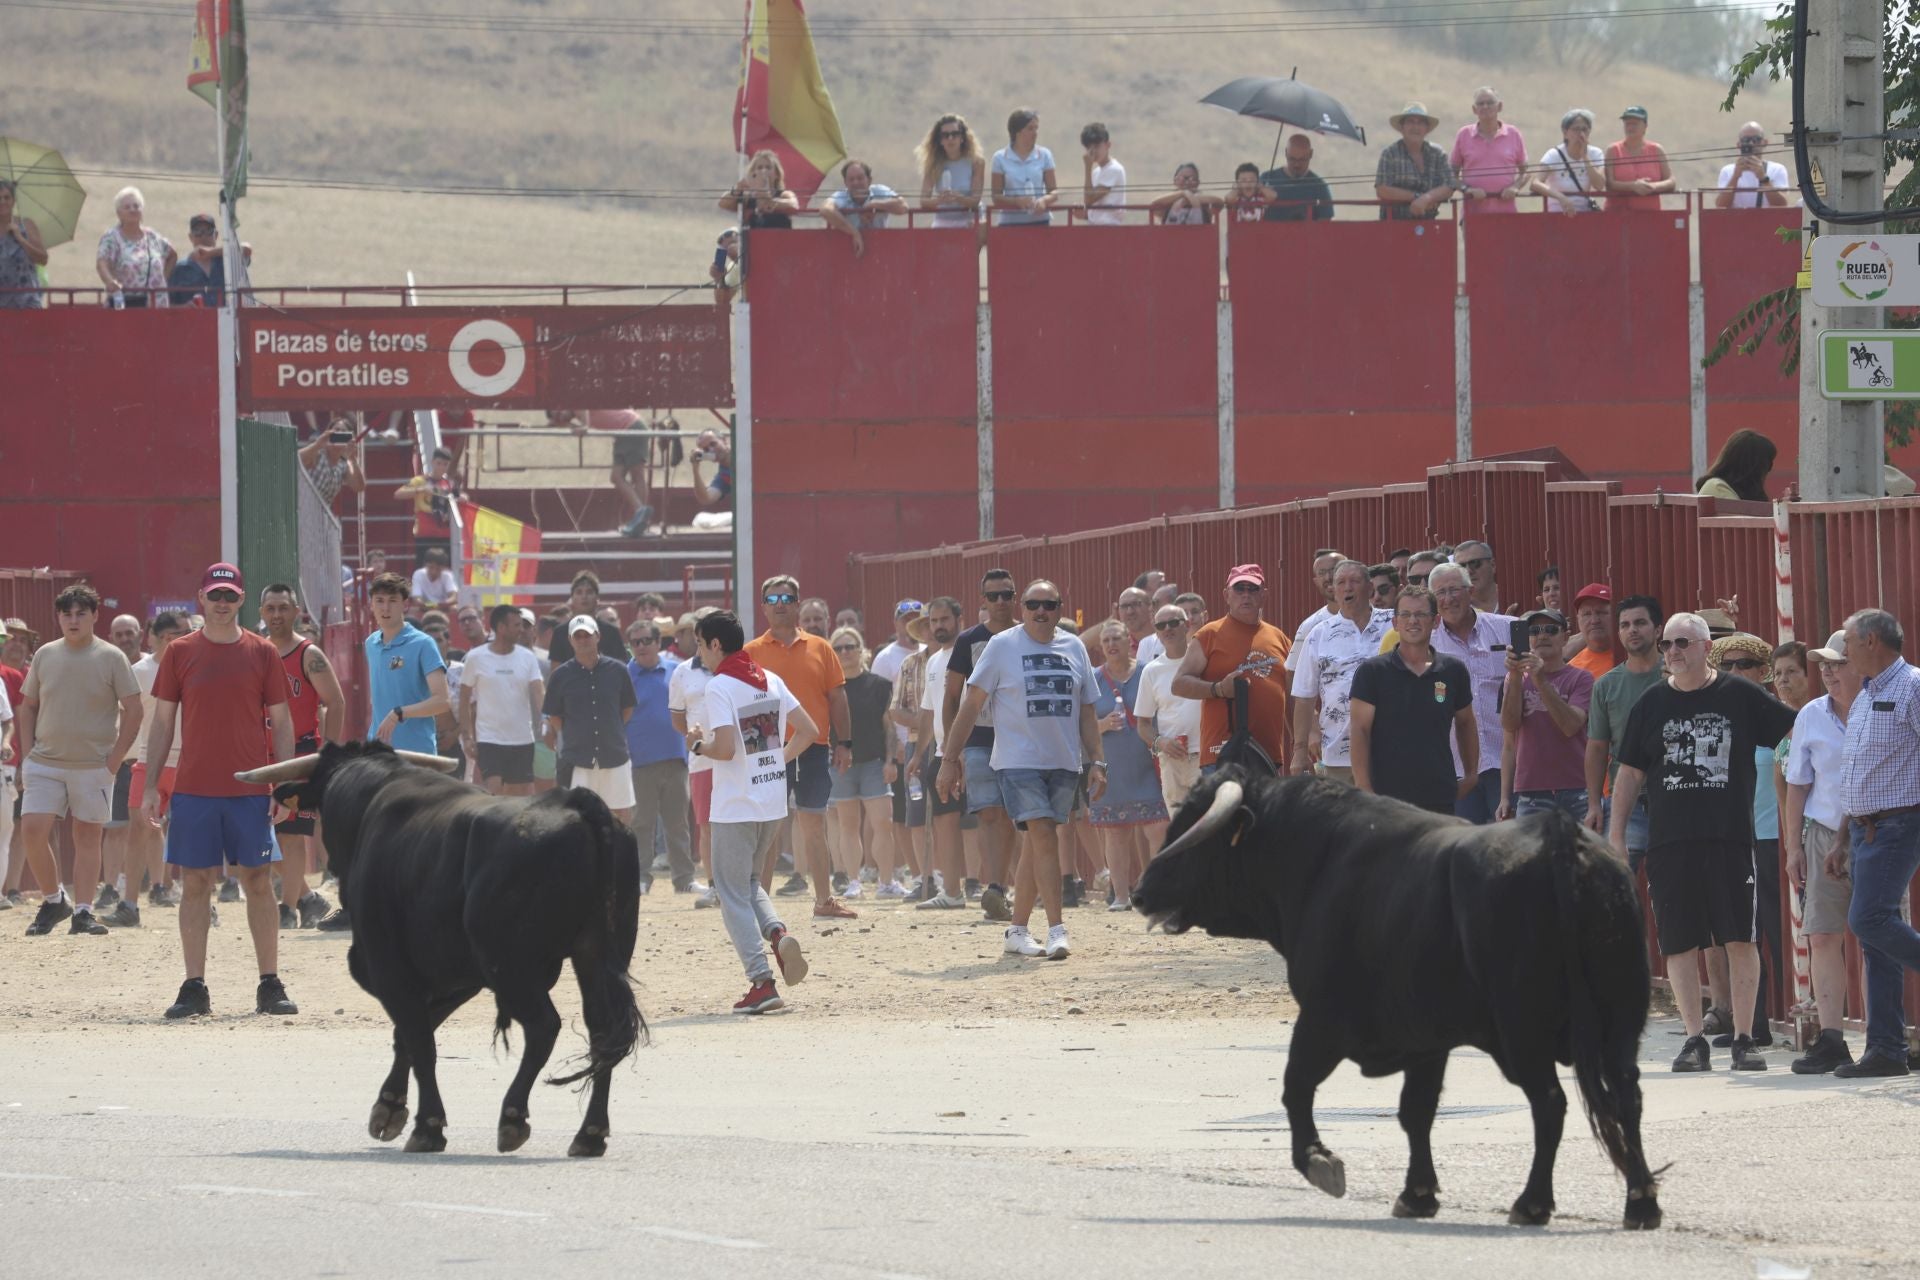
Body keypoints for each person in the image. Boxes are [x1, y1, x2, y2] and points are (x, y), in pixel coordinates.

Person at [1610, 612, 1796, 1072]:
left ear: (1704, 646)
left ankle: (1745, 1037)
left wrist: (1804, 791)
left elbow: (1793, 732)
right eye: (1667, 644)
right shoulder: (1650, 704)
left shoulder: (1740, 695)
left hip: (1730, 838)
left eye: (1683, 643)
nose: (1673, 651)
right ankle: (1694, 1039)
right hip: (1670, 842)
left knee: (1739, 937)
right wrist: (1615, 834)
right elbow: (1630, 772)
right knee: (1678, 943)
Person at [141, 564, 297, 1019]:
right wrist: (152, 784)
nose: (222, 603)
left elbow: (282, 722)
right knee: (195, 884)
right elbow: (162, 721)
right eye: (215, 595)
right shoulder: (180, 652)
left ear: (241, 599)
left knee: (258, 882)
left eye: (230, 595)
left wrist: (283, 784)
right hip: (194, 789)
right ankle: (194, 987)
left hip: (250, 790)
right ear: (201, 599)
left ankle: (269, 984)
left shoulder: (263, 651)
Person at [940, 580, 1107, 961]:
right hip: (1018, 762)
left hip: (1064, 761)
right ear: (1024, 607)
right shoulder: (1002, 646)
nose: (1040, 611)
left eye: (1048, 604)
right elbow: (970, 705)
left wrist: (1097, 760)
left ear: (1060, 608)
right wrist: (949, 760)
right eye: (1033, 604)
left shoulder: (1074, 646)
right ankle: (1056, 930)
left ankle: (1016, 931)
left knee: (1036, 842)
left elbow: (1086, 710)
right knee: (1044, 832)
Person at [691, 609, 815, 1014]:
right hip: (771, 799)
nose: (700, 654)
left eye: (700, 644)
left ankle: (761, 981)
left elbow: (724, 748)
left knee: (731, 893)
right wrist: (779, 760)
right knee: (748, 884)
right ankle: (777, 934)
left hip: (735, 805)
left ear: (714, 644)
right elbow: (810, 730)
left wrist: (698, 745)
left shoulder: (719, 686)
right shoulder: (771, 680)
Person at [16, 583, 142, 937]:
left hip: (94, 765)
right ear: (58, 617)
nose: (73, 620)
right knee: (32, 830)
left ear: (94, 616)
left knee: (87, 836)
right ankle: (54, 899)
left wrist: (115, 760)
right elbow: (27, 707)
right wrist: (27, 756)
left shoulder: (111, 657)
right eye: (66, 614)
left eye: (80, 613)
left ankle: (83, 911)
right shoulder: (44, 654)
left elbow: (134, 710)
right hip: (44, 762)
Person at [1831, 609, 1920, 1078]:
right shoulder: (1863, 696)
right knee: (1873, 940)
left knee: (1868, 918)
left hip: (1901, 823)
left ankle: (1886, 1046)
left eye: (1847, 640)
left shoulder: (1913, 686)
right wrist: (1841, 838)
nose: (1843, 650)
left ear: (1870, 640)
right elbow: (1858, 772)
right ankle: (1886, 1049)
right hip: (1864, 830)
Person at [745, 576, 855, 919]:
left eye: (786, 598)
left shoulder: (821, 647)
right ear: (763, 607)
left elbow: (837, 697)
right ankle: (759, 904)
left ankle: (823, 902)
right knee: (769, 828)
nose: (780, 604)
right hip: (767, 748)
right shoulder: (750, 652)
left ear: (797, 603)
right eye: (772, 598)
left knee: (813, 825)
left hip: (815, 747)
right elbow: (744, 701)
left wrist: (845, 743)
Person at [1783, 630, 1861, 1073]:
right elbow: (1798, 784)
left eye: (1838, 662)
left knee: (1877, 935)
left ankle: (1883, 1034)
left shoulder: (1879, 708)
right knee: (1823, 934)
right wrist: (1793, 846)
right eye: (1824, 665)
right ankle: (1832, 1038)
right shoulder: (1812, 715)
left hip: (1874, 834)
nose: (1829, 671)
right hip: (1823, 834)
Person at [1349, 585, 1478, 814]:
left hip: (1439, 796)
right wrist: (1363, 787)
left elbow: (1466, 722)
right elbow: (1359, 731)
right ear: (1395, 623)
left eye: (1421, 614)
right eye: (1406, 615)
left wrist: (1470, 775)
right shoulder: (1372, 672)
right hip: (1385, 800)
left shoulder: (1453, 671)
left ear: (1436, 621)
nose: (1413, 621)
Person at [260, 584, 343, 930]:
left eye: (283, 607)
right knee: (252, 836)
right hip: (260, 755)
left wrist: (329, 755)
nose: (277, 614)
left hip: (300, 752)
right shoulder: (255, 651)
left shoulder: (308, 654)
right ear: (261, 613)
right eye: (271, 608)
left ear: (296, 612)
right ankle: (308, 898)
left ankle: (286, 909)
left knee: (291, 834)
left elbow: (336, 702)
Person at [943, 568, 1022, 920]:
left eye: (1007, 594)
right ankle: (996, 886)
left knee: (1018, 816)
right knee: (989, 813)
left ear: (1015, 596)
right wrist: (952, 751)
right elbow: (951, 698)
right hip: (979, 738)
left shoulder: (1029, 635)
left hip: (1023, 737)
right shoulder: (969, 641)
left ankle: (1015, 885)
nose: (1001, 602)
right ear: (983, 600)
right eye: (994, 596)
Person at [1171, 564, 1292, 770]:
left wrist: (1302, 744)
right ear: (1226, 595)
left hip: (1267, 755)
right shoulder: (1209, 634)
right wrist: (1217, 689)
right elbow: (1179, 684)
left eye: (1253, 589)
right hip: (1222, 755)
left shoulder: (1279, 638)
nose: (1246, 595)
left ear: (1264, 595)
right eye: (1239, 589)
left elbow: (1293, 696)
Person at [1427, 563, 1517, 823]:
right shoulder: (1427, 644)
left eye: (1454, 590)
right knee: (1465, 848)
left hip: (1507, 762)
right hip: (1456, 768)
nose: (1448, 599)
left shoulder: (1507, 628)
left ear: (1471, 591)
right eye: (1440, 593)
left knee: (1511, 845)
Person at [1088, 621, 1168, 910]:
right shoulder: (1094, 679)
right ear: (1101, 646)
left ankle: (1156, 891)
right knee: (1115, 831)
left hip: (1148, 762)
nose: (1111, 644)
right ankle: (1121, 896)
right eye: (1106, 639)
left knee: (1158, 827)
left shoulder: (1148, 671)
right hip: (1112, 766)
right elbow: (1081, 726)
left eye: (1117, 638)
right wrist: (1102, 725)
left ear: (1129, 641)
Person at [1290, 561, 1393, 782]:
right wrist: (1299, 751)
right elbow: (1304, 698)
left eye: (1354, 581)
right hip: (1338, 756)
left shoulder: (1394, 623)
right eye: (1341, 583)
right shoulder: (1318, 634)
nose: (1348, 588)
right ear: (1334, 592)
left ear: (1369, 588)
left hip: (1391, 753)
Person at [1583, 595, 1666, 868]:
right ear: (1618, 632)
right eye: (1625, 624)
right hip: (1626, 803)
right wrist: (1595, 803)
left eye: (1640, 623)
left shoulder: (1677, 675)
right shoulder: (1606, 686)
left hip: (1674, 798)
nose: (1632, 630)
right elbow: (1597, 747)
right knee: (1615, 883)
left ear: (1657, 630)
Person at [624, 617, 698, 895]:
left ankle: (685, 879)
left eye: (646, 641)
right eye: (635, 642)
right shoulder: (624, 675)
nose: (641, 646)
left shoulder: (676, 671)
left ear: (658, 642)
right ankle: (640, 877)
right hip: (639, 762)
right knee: (641, 823)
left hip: (676, 758)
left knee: (677, 823)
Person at [121, 611, 188, 919]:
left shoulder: (194, 667)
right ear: (166, 638)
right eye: (182, 634)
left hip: (188, 763)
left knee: (194, 831)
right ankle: (130, 904)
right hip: (149, 761)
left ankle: (199, 902)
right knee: (138, 829)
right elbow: (126, 715)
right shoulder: (138, 672)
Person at [1498, 607, 1594, 821]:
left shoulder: (1582, 678)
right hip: (1531, 790)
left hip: (1576, 787)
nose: (1542, 636)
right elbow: (1510, 730)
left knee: (1579, 854)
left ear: (1565, 637)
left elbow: (1571, 726)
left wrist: (1540, 680)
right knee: (1533, 855)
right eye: (1534, 631)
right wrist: (1504, 797)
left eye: (1551, 629)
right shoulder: (1515, 679)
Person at [826, 626, 900, 897]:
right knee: (847, 825)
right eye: (839, 648)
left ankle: (886, 882)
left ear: (861, 650)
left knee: (883, 822)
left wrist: (891, 760)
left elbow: (889, 727)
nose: (845, 652)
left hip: (874, 762)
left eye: (850, 647)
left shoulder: (879, 686)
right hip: (841, 764)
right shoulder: (830, 689)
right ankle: (853, 881)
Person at [543, 616, 637, 820]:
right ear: (570, 640)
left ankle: (620, 853)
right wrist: (571, 736)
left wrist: (611, 730)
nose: (583, 640)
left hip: (614, 753)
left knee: (620, 813)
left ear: (598, 637)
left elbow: (627, 708)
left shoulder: (619, 670)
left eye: (587, 635)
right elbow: (554, 716)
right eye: (578, 636)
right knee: (578, 816)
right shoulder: (560, 676)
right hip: (578, 758)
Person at [910, 597, 969, 909]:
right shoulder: (933, 661)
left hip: (974, 751)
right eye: (934, 621)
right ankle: (952, 892)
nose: (939, 626)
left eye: (945, 619)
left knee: (994, 820)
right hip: (942, 754)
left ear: (959, 618)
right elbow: (927, 713)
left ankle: (1008, 887)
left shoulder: (973, 653)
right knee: (944, 824)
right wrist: (918, 755)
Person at [460, 603, 544, 798]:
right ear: (501, 628)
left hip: (522, 739)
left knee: (518, 797)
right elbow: (464, 700)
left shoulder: (528, 658)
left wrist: (548, 718)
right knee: (493, 792)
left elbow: (539, 693)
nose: (522, 630)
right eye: (516, 625)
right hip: (489, 739)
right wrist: (467, 737)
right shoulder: (475, 658)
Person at [364, 572, 451, 757]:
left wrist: (400, 713)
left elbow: (442, 701)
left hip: (417, 753)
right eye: (379, 600)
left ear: (405, 604)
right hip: (379, 752)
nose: (385, 607)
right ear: (371, 604)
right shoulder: (370, 643)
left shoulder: (423, 643)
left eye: (393, 600)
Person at [668, 607, 719, 909]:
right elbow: (677, 719)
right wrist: (693, 738)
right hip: (702, 761)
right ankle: (715, 887)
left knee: (742, 823)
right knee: (708, 826)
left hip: (737, 758)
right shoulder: (683, 672)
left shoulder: (740, 666)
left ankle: (743, 886)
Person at [1134, 603, 1203, 814]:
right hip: (1172, 760)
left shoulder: (1204, 660)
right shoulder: (1151, 671)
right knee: (1181, 830)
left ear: (1188, 625)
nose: (1167, 629)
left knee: (1211, 827)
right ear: (1156, 631)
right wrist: (1159, 742)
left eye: (1173, 623)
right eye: (1161, 625)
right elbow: (1143, 724)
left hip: (1206, 758)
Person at [1448, 87, 1527, 216]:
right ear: (1474, 109)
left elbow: (1526, 171)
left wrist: (1515, 187)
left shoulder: (1514, 134)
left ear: (1499, 107)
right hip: (1473, 215)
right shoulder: (1464, 135)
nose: (1485, 107)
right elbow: (1451, 175)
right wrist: (1468, 190)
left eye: (1490, 103)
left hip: (1508, 214)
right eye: (1480, 104)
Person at [95, 186, 175, 307]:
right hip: (127, 306)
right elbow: (102, 263)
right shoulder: (112, 238)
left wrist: (161, 280)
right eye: (127, 207)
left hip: (157, 306)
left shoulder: (152, 236)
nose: (133, 210)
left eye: (136, 206)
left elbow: (172, 255)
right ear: (119, 213)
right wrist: (110, 282)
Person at [1375, 104, 1455, 221]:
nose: (1415, 127)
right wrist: (1416, 197)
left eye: (1420, 123)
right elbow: (1382, 189)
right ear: (1402, 127)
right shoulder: (1390, 154)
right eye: (1410, 122)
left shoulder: (1438, 153)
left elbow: (1449, 185)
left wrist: (1426, 199)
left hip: (1429, 223)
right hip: (1393, 225)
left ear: (1427, 129)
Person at [822, 159, 909, 258]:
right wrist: (854, 233)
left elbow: (903, 206)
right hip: (848, 254)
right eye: (851, 179)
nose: (856, 183)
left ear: (869, 180)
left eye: (860, 178)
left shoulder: (879, 191)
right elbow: (825, 209)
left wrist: (874, 204)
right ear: (845, 183)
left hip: (881, 252)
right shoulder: (841, 196)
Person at [544, 573, 631, 668]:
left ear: (597, 598)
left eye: (589, 592)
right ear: (572, 598)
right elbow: (556, 673)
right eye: (579, 592)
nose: (584, 597)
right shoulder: (560, 633)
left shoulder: (611, 632)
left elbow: (620, 669)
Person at [917, 113, 987, 230]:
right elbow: (923, 201)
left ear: (962, 138)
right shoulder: (933, 164)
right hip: (943, 220)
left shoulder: (976, 162)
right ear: (940, 140)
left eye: (955, 134)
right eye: (945, 135)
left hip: (970, 220)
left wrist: (958, 198)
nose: (950, 139)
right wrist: (940, 200)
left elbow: (975, 200)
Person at [166, 211, 251, 307]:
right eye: (197, 231)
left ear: (216, 235)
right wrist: (184, 307)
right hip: (194, 320)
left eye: (209, 231)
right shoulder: (180, 268)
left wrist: (211, 252)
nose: (203, 236)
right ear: (190, 237)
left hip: (226, 319)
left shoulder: (226, 261)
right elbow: (165, 303)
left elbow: (246, 249)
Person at [1531, 109, 1606, 215]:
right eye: (1576, 129)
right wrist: (1561, 197)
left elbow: (1599, 185)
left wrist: (1585, 157)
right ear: (1565, 133)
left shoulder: (1595, 153)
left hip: (1584, 214)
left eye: (1585, 129)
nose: (1581, 134)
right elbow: (1535, 183)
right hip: (1558, 213)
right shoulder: (1554, 154)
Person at [394, 446, 460, 565]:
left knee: (445, 569)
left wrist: (463, 498)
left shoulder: (450, 484)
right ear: (432, 462)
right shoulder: (420, 480)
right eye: (438, 463)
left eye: (445, 464)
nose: (441, 467)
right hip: (425, 534)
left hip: (445, 535)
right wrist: (421, 489)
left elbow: (460, 498)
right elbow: (398, 494)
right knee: (424, 569)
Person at [991, 108, 1057, 227]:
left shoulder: (1045, 155)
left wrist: (1044, 201)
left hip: (1040, 222)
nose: (1035, 132)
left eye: (1036, 128)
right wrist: (1016, 202)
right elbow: (996, 197)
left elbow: (1053, 192)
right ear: (1017, 132)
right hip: (1010, 224)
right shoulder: (999, 158)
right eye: (1030, 129)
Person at [1284, 548, 1345, 678]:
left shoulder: (1377, 618)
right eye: (1322, 573)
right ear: (1316, 581)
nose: (1329, 577)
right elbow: (1293, 674)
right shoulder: (1310, 627)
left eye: (1334, 570)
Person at [1604, 107, 1674, 212]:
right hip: (1617, 215)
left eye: (1635, 123)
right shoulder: (1613, 150)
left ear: (1645, 126)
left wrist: (1652, 186)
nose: (1630, 127)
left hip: (1650, 215)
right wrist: (1633, 186)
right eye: (1627, 123)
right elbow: (1609, 184)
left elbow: (1671, 181)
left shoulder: (1656, 150)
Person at [1259, 135, 1336, 222]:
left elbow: (1325, 224)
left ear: (1311, 154)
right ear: (1286, 153)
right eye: (1292, 159)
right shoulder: (1267, 179)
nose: (1297, 165)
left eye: (1302, 160)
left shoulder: (1320, 187)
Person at [1715, 123, 1791, 209]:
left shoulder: (1777, 169)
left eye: (1756, 139)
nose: (1751, 143)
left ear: (1765, 142)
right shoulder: (1728, 171)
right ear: (1738, 145)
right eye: (1746, 140)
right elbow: (1721, 205)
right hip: (1736, 221)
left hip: (1768, 221)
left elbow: (1782, 204)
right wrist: (1735, 177)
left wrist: (1764, 179)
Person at [721, 149, 801, 229]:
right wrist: (738, 189)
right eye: (760, 168)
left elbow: (794, 204)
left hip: (780, 238)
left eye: (768, 167)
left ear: (776, 174)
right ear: (753, 173)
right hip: (753, 239)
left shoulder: (784, 194)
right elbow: (723, 203)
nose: (764, 171)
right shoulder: (747, 197)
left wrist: (771, 202)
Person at [299, 418, 366, 510]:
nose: (339, 433)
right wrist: (317, 444)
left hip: (318, 517)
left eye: (343, 432)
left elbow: (359, 487)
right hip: (301, 508)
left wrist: (352, 458)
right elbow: (295, 459)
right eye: (336, 430)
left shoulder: (344, 465)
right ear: (328, 433)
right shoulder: (318, 453)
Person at [0, 179, 48, 309]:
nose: (2, 202)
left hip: (27, 302)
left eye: (6, 197)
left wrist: (20, 238)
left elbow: (43, 259)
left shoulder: (26, 225)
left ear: (13, 201)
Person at [1696, 428, 1778, 501]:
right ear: (1752, 468)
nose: (1768, 471)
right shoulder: (1718, 488)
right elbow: (1744, 517)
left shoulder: (1742, 492)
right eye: (1767, 465)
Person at [1080, 122, 1127, 226]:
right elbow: (1093, 204)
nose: (1093, 152)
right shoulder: (1096, 172)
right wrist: (1084, 214)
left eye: (1097, 146)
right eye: (1089, 148)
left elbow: (1089, 199)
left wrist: (1087, 167)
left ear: (1108, 145)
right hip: (1095, 227)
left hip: (1109, 228)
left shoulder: (1114, 169)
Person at [1567, 582, 1616, 678]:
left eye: (1601, 612)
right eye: (1587, 614)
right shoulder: (1572, 671)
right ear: (1578, 620)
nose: (1594, 620)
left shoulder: (1634, 657)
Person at [1148, 162, 1222, 225]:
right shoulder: (1167, 205)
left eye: (1192, 179)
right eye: (1182, 178)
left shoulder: (1205, 207)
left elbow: (1219, 202)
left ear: (1198, 183)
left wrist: (1190, 198)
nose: (1187, 182)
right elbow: (1153, 205)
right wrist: (1182, 193)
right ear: (1175, 181)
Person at [1453, 540, 1501, 616]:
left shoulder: (1514, 596)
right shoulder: (1454, 609)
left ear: (1492, 565)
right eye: (1461, 567)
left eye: (1474, 563)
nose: (1468, 571)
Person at [690, 429, 733, 510]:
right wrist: (695, 470)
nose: (711, 450)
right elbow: (706, 499)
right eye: (706, 449)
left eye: (713, 444)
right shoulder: (723, 476)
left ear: (724, 440)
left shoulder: (746, 449)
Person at [1115, 586, 1160, 663]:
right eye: (1124, 606)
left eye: (1135, 604)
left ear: (1150, 606)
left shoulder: (1165, 639)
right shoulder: (1118, 647)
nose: (1130, 612)